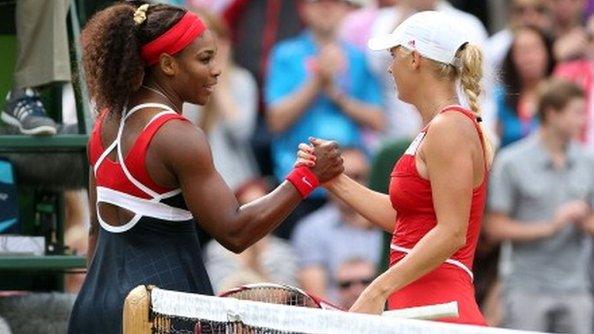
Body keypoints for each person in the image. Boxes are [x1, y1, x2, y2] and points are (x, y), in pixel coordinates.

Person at [68, 2, 343, 333]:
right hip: (160, 314)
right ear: (168, 64)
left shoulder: (104, 124)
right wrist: (307, 176)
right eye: (204, 59)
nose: (216, 70)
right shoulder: (178, 136)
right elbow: (235, 231)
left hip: (94, 309)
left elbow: (96, 232)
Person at [297, 11, 493, 325]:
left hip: (440, 311)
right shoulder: (441, 127)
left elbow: (452, 232)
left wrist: (377, 289)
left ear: (415, 59)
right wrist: (332, 180)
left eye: (393, 55)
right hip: (419, 308)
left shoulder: (449, 127)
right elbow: (407, 223)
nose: (389, 67)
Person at [485, 79, 594, 334]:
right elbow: (494, 227)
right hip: (526, 287)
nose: (584, 119)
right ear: (552, 113)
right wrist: (550, 226)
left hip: (577, 288)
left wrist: (583, 220)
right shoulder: (512, 161)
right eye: (577, 112)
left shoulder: (588, 162)